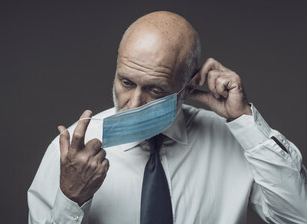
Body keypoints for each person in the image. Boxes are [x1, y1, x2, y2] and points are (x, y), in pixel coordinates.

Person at [28, 11, 307, 223]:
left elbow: (298, 217)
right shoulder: (71, 154)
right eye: (126, 82)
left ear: (187, 87)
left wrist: (245, 120)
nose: (135, 104)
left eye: (155, 89)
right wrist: (71, 197)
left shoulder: (233, 141)